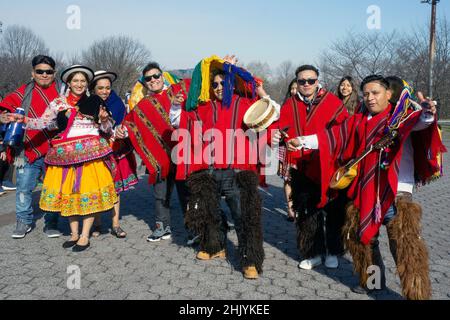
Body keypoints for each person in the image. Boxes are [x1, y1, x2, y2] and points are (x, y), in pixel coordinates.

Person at [285, 75, 446, 299]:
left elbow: (422, 122)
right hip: (366, 192)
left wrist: (429, 111)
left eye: (375, 93)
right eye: (366, 94)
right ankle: (374, 283)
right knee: (365, 242)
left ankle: (416, 294)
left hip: (396, 193)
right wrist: (302, 141)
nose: (370, 98)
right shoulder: (359, 119)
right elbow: (333, 136)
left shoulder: (402, 116)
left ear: (388, 94)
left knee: (404, 247)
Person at [174, 55, 280, 279]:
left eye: (223, 82)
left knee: (243, 215)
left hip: (238, 170)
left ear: (231, 83)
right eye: (215, 84)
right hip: (208, 169)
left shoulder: (245, 104)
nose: (219, 87)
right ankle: (215, 247)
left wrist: (232, 68)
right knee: (208, 212)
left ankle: (250, 259)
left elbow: (269, 116)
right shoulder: (203, 106)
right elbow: (182, 116)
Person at [12, 65, 118, 251]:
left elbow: (108, 129)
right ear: (68, 82)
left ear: (87, 84)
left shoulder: (94, 101)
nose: (79, 84)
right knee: (71, 193)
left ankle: (85, 235)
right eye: (75, 81)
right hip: (66, 156)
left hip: (90, 157)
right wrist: (25, 121)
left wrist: (103, 120)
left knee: (88, 192)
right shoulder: (58, 104)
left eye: (83, 81)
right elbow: (45, 122)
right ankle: (74, 233)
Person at [271, 65, 349, 270]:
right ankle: (312, 252)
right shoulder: (289, 104)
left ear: (317, 81)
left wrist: (311, 141)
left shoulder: (332, 102)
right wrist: (277, 135)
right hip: (302, 167)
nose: (306, 84)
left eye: (311, 80)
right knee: (306, 213)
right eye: (302, 81)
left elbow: (343, 132)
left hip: (329, 166)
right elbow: (280, 127)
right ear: (296, 82)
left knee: (333, 212)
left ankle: (333, 250)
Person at [122, 62, 191, 243]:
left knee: (186, 193)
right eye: (148, 78)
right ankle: (162, 228)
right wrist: (119, 131)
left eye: (156, 76)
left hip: (183, 153)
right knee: (161, 195)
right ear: (145, 83)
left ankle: (194, 228)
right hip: (160, 158)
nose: (153, 80)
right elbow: (129, 123)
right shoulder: (143, 105)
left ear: (162, 76)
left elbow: (200, 84)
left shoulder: (177, 91)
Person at [0, 55, 61, 239]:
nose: (44, 75)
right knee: (24, 188)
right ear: (32, 73)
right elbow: (4, 108)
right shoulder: (22, 93)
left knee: (53, 189)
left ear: (54, 73)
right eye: (39, 71)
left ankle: (51, 223)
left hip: (55, 148)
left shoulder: (62, 93)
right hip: (27, 148)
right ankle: (23, 220)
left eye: (48, 72)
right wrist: (3, 117)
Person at [91, 70, 138, 238]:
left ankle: (115, 224)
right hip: (94, 153)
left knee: (114, 189)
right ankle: (97, 223)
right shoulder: (88, 104)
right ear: (94, 88)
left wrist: (120, 132)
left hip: (113, 151)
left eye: (108, 88)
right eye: (101, 88)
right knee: (96, 187)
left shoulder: (117, 103)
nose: (105, 91)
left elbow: (123, 123)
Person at [278, 79, 298, 222]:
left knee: (299, 181)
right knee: (287, 179)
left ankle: (299, 207)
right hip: (286, 149)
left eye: (296, 88)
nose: (294, 91)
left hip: (301, 150)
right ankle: (290, 209)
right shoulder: (285, 106)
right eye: (292, 88)